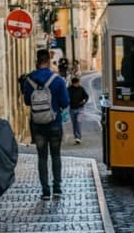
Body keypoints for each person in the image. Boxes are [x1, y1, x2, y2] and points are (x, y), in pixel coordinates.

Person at [21, 49, 70, 200]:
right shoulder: (57, 80)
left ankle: (45, 191)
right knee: (56, 155)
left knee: (42, 157)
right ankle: (57, 188)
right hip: (54, 123)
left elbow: (27, 101)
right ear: (48, 62)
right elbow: (65, 102)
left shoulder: (29, 80)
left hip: (37, 125)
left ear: (36, 61)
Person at [67, 77, 89, 144]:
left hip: (80, 108)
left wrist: (84, 101)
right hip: (72, 109)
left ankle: (79, 137)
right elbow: (66, 97)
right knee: (74, 123)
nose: (78, 84)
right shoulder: (68, 89)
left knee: (78, 122)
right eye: (76, 83)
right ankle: (76, 137)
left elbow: (86, 96)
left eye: (78, 83)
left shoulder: (81, 88)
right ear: (73, 83)